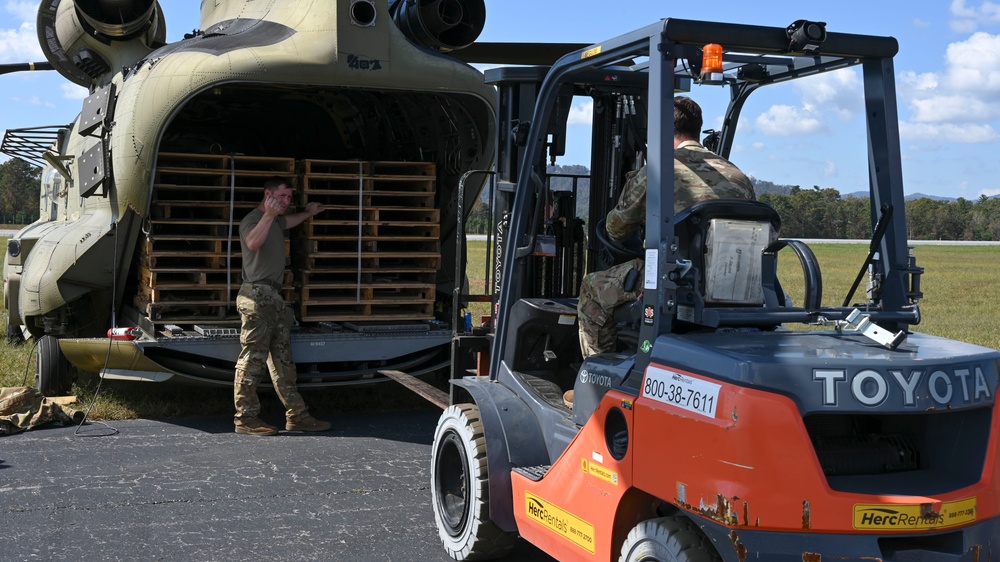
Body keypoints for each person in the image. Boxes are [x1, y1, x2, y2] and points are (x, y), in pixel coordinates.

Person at [577, 97, 756, 357]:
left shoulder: (657, 172)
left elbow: (616, 230)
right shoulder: (739, 177)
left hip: (675, 282)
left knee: (591, 288)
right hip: (732, 283)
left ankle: (596, 373)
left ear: (662, 131)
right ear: (697, 128)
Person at [233, 176, 331, 436]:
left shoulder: (276, 221)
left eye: (289, 197)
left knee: (283, 364)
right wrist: (269, 215)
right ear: (268, 194)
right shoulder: (253, 220)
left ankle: (297, 416)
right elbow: (253, 243)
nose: (287, 202)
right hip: (256, 297)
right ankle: (245, 419)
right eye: (282, 197)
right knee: (252, 360)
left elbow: (290, 220)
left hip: (273, 298)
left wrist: (308, 213)